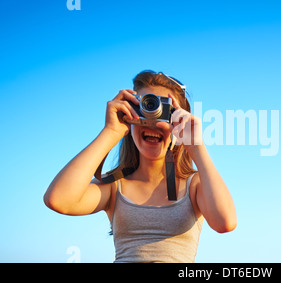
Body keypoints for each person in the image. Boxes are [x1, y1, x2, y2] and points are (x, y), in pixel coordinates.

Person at [44, 70, 237, 262]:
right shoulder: (114, 186)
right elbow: (59, 199)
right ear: (130, 114)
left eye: (164, 113)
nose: (152, 122)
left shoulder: (193, 185)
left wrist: (196, 146)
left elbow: (225, 222)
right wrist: (111, 131)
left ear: (179, 121)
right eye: (146, 108)